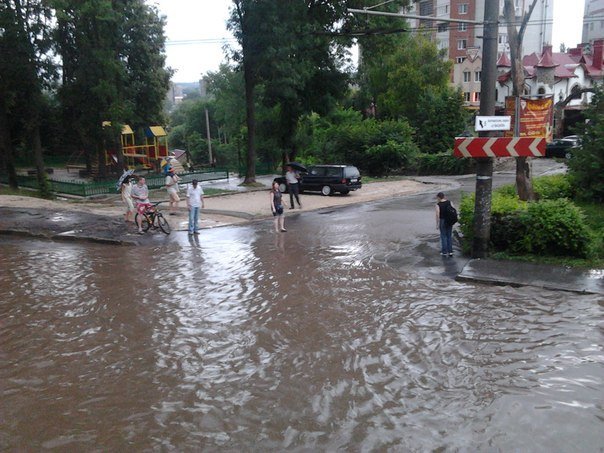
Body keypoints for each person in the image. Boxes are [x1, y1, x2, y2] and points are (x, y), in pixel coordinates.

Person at [435, 192, 454, 257]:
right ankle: (450, 251)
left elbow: (437, 214)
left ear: (438, 197)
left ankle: (444, 252)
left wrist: (437, 224)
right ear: (444, 196)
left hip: (442, 221)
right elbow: (453, 210)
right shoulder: (450, 202)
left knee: (443, 236)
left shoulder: (438, 205)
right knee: (449, 236)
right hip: (449, 220)